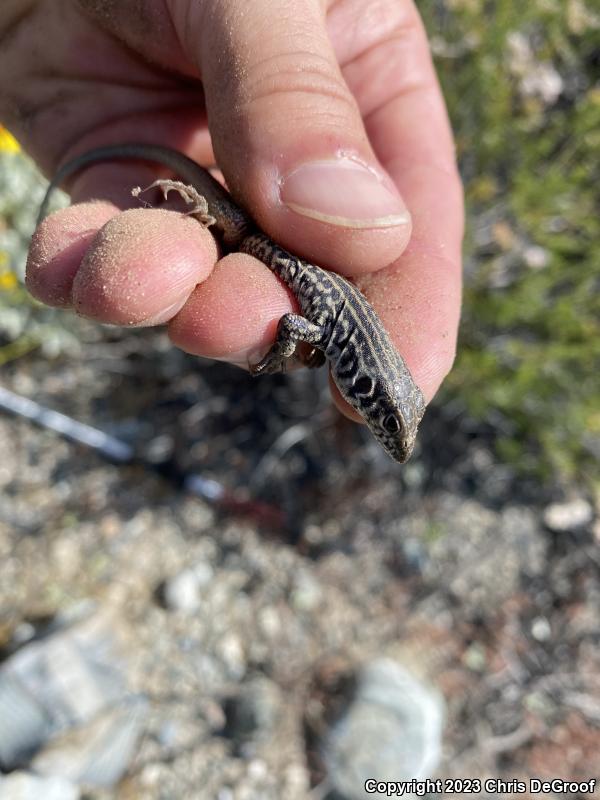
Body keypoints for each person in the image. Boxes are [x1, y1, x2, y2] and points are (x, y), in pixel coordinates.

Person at [1, 0, 463, 424]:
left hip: (257, 236)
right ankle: (199, 203)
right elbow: (291, 323)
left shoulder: (340, 330)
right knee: (219, 235)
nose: (395, 439)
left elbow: (301, 325)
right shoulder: (331, 328)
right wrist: (284, 351)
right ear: (367, 388)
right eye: (390, 423)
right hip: (256, 230)